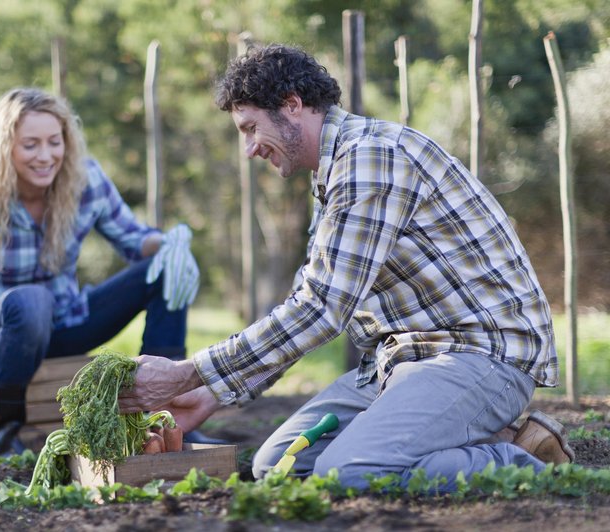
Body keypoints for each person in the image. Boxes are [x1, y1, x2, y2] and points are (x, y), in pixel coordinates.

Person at [118, 44, 574, 491]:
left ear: (292, 106)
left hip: (479, 355)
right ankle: (471, 434)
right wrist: (211, 391)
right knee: (279, 466)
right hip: (404, 360)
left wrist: (189, 371)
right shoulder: (334, 173)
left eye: (251, 127)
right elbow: (306, 303)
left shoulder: (370, 158)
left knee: (350, 473)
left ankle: (522, 457)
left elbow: (322, 309)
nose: (249, 148)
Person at [0, 87, 202, 456]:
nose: (46, 155)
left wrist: (169, 244)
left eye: (55, 142)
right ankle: (1, 432)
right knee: (31, 302)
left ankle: (165, 420)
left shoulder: (84, 179)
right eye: (30, 145)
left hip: (65, 321)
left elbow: (133, 239)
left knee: (164, 270)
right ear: (4, 147)